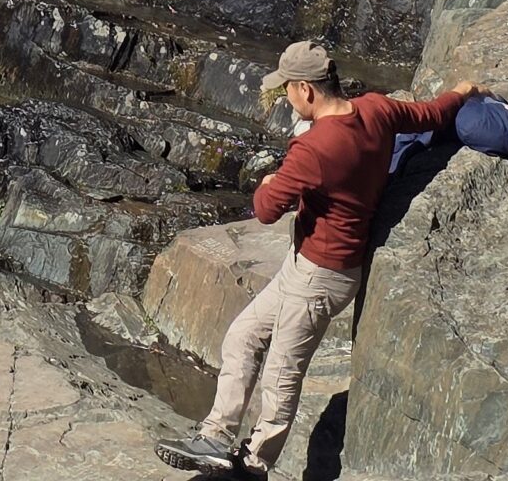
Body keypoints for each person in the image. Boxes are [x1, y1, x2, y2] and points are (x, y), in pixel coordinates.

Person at [157, 38, 481, 475]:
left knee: (282, 375)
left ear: (305, 90)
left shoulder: (314, 149)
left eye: (287, 89)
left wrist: (271, 180)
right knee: (242, 336)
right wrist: (462, 93)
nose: (287, 98)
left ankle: (252, 468)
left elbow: (266, 210)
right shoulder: (377, 109)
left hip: (319, 276)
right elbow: (432, 113)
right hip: (311, 266)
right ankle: (216, 435)